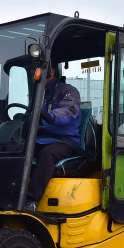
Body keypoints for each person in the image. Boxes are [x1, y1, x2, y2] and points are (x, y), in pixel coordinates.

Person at [24, 63, 82, 212]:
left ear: (52, 71)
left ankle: (31, 200)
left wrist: (51, 116)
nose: (34, 73)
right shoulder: (39, 93)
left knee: (48, 153)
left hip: (65, 142)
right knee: (15, 149)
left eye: (37, 69)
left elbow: (68, 111)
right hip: (40, 139)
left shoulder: (68, 91)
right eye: (32, 69)